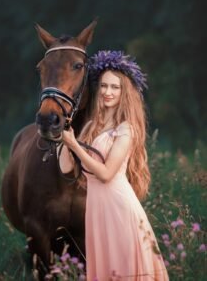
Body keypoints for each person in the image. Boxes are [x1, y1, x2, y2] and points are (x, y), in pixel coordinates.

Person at [59, 50, 169, 280]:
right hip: (97, 211)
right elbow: (66, 168)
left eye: (115, 87)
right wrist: (64, 137)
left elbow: (107, 174)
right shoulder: (91, 126)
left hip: (119, 208)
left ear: (124, 92)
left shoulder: (126, 129)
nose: (108, 92)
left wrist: (75, 146)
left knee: (125, 268)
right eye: (104, 86)